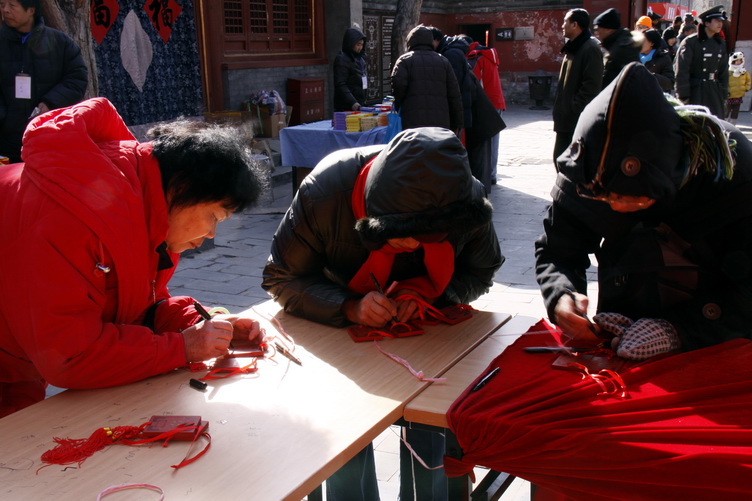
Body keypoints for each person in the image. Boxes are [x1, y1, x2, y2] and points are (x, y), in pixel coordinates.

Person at [262, 127, 503, 501]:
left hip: (429, 335)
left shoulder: (463, 202)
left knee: (433, 420)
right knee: (347, 428)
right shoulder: (326, 193)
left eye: (429, 240)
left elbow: (481, 269)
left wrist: (429, 296)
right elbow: (280, 276)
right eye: (404, 237)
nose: (413, 247)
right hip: (338, 329)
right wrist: (348, 306)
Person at [0, 97, 267, 418]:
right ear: (181, 187)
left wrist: (203, 324)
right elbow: (68, 356)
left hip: (18, 358)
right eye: (214, 217)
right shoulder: (77, 214)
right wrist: (182, 347)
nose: (211, 235)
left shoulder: (142, 206)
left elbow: (136, 309)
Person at [535, 62, 752, 361]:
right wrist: (561, 296)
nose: (617, 207)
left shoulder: (731, 170)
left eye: (634, 201)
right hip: (625, 316)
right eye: (607, 199)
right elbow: (557, 250)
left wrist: (680, 330)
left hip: (718, 331)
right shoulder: (587, 169)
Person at [0, 0, 88, 163]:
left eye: (12, 6)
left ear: (30, 10)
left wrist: (51, 102)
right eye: (2, 4)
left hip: (52, 134)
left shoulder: (60, 42)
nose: (5, 10)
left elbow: (77, 78)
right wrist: (6, 119)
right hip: (6, 142)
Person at [552, 8, 603, 165]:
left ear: (575, 25)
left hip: (575, 119)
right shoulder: (573, 48)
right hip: (565, 118)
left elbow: (591, 87)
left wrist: (574, 109)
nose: (562, 26)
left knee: (571, 164)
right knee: (560, 160)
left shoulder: (590, 48)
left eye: (565, 22)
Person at [390, 25, 463, 132]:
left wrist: (397, 107)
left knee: (415, 148)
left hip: (412, 121)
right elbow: (454, 95)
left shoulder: (404, 61)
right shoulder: (443, 61)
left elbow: (398, 88)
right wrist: (457, 123)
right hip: (440, 123)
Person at [674, 5, 729, 118]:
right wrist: (683, 96)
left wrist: (723, 94)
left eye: (721, 21)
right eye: (716, 21)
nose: (720, 24)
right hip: (696, 91)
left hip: (714, 91)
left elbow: (723, 72)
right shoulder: (691, 43)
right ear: (707, 23)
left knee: (716, 125)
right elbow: (682, 71)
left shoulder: (720, 44)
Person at [466, 38, 507, 184]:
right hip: (497, 100)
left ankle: (487, 175)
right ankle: (492, 174)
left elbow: (473, 82)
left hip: (486, 103)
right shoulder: (489, 55)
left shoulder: (476, 58)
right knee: (494, 140)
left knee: (484, 141)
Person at [593, 8, 640, 88]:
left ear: (608, 29)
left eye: (598, 30)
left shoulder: (620, 49)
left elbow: (609, 82)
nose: (596, 34)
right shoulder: (620, 42)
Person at [333, 27, 368, 112]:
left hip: (360, 102)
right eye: (358, 44)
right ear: (351, 44)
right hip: (346, 105)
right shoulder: (342, 59)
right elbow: (341, 84)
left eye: (362, 44)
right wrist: (352, 102)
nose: (360, 47)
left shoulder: (360, 59)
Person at [727, 51, 751, 125]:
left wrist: (746, 88)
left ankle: (733, 124)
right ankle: (724, 123)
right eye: (736, 60)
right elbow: (724, 81)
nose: (738, 62)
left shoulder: (744, 72)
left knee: (735, 111)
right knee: (726, 110)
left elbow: (748, 81)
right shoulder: (728, 72)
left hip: (739, 95)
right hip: (729, 95)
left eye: (740, 60)